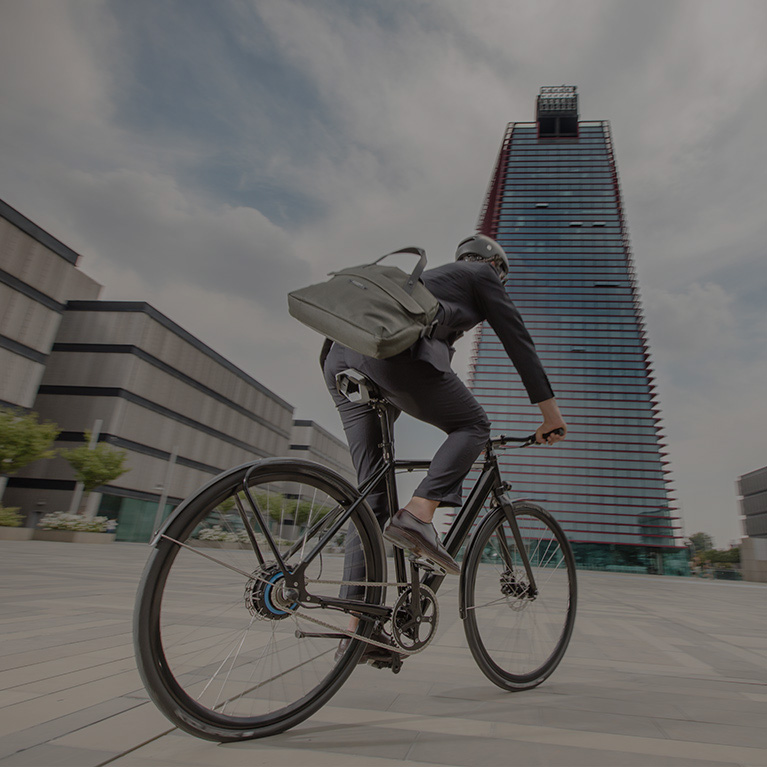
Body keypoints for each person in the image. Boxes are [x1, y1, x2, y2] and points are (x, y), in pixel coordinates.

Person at [322, 233, 567, 662]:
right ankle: (419, 516)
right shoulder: (481, 275)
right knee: (473, 424)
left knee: (370, 497)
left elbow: (434, 371)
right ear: (497, 269)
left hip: (340, 357)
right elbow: (518, 341)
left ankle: (359, 629)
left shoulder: (430, 287)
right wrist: (550, 415)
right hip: (387, 354)